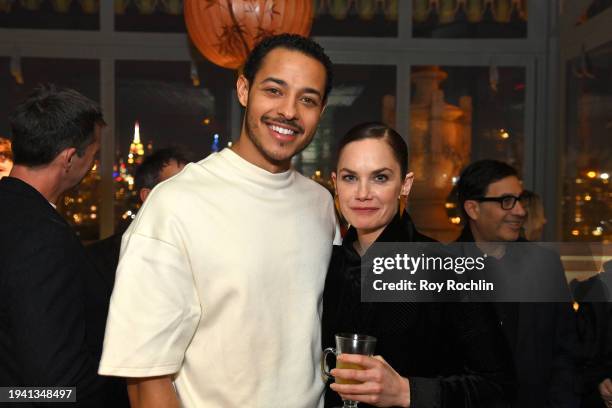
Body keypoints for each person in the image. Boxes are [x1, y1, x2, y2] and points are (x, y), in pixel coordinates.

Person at [99, 34, 339, 408]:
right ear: (244, 89)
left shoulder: (322, 205)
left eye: (307, 99)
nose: (289, 111)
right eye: (274, 90)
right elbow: (148, 379)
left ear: (320, 112)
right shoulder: (176, 203)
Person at [322, 122, 515, 407]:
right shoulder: (327, 263)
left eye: (380, 178)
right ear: (335, 182)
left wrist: (405, 391)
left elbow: (498, 387)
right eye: (350, 178)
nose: (362, 193)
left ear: (405, 184)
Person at [0, 84, 128, 407]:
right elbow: (55, 385)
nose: (94, 167)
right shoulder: (41, 235)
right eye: (94, 155)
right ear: (70, 158)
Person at [456, 159, 579, 407]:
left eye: (520, 199)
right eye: (506, 201)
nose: (521, 211)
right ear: (473, 209)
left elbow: (568, 350)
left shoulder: (545, 264)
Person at [87, 146, 190, 286]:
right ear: (147, 196)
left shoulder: (197, 250)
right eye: (176, 186)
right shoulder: (102, 260)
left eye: (190, 186)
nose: (187, 195)